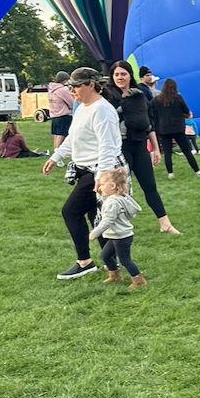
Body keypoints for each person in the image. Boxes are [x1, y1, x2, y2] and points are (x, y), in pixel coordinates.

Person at [42, 67, 124, 280]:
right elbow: (72, 137)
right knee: (96, 217)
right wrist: (55, 157)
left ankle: (84, 262)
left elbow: (108, 147)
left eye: (76, 86)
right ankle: (112, 263)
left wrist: (101, 178)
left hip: (99, 170)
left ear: (90, 84)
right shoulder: (82, 108)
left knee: (71, 211)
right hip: (86, 169)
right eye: (69, 86)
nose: (71, 90)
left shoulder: (102, 110)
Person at [107, 60, 181, 235]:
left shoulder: (140, 94)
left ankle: (165, 223)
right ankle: (117, 228)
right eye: (116, 74)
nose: (120, 77)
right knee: (120, 188)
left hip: (139, 144)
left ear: (129, 75)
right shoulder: (108, 96)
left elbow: (148, 123)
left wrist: (155, 148)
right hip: (120, 147)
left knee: (149, 185)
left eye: (123, 74)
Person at [90, 166, 146, 289]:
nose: (99, 187)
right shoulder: (116, 198)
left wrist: (95, 232)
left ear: (113, 186)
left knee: (125, 260)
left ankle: (139, 280)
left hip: (122, 236)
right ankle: (115, 275)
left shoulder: (113, 202)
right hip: (115, 235)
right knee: (105, 256)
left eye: (102, 184)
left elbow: (108, 220)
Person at [152, 78, 200, 179]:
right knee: (187, 151)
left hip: (163, 130)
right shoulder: (178, 97)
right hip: (178, 129)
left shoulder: (157, 100)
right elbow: (186, 111)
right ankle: (197, 171)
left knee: (167, 153)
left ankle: (170, 173)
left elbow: (152, 112)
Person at [47, 71, 74, 149]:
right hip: (63, 114)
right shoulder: (63, 90)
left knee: (56, 134)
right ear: (64, 79)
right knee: (62, 135)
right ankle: (58, 153)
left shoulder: (51, 89)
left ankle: (55, 150)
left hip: (54, 114)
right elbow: (71, 102)